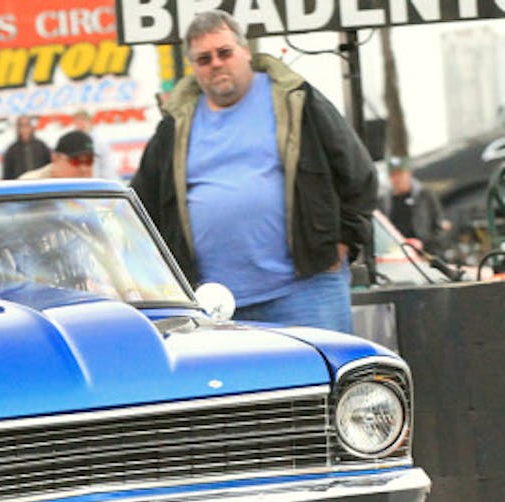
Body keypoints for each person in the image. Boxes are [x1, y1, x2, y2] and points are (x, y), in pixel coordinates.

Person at [130, 10, 377, 333]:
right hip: (211, 307)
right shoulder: (174, 126)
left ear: (246, 51)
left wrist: (344, 243)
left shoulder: (296, 100)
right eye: (204, 58)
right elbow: (140, 208)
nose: (216, 63)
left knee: (325, 367)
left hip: (306, 291)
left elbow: (359, 174)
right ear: (193, 67)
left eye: (224, 52)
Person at [381, 155, 448, 253]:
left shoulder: (424, 195)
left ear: (408, 174)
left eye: (400, 174)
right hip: (399, 252)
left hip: (426, 252)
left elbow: (440, 225)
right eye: (393, 175)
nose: (397, 179)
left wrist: (427, 246)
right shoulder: (385, 201)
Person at [19, 131, 96, 179]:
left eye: (89, 161)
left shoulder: (96, 189)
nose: (83, 169)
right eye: (75, 161)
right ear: (55, 158)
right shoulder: (29, 184)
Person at [71, 110, 121, 182]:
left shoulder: (100, 142)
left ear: (90, 122)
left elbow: (107, 167)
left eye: (83, 121)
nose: (80, 125)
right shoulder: (72, 143)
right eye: (77, 122)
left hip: (99, 183)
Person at [1, 115, 51, 180]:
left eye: (27, 125)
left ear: (31, 127)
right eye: (21, 126)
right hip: (20, 184)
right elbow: (7, 176)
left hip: (40, 183)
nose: (24, 129)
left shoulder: (42, 147)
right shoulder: (11, 151)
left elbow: (49, 169)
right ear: (17, 128)